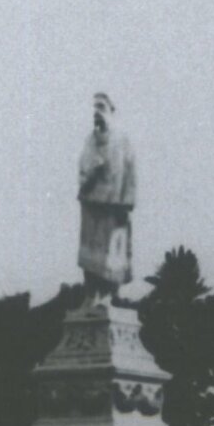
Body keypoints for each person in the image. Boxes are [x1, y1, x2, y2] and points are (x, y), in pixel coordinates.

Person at [77, 92, 137, 300]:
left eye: (101, 107)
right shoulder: (90, 141)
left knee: (113, 254)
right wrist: (94, 168)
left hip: (115, 205)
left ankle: (110, 297)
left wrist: (127, 204)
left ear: (111, 111)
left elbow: (130, 174)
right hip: (92, 203)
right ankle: (90, 296)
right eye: (94, 109)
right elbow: (83, 170)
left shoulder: (123, 140)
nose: (96, 113)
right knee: (90, 254)